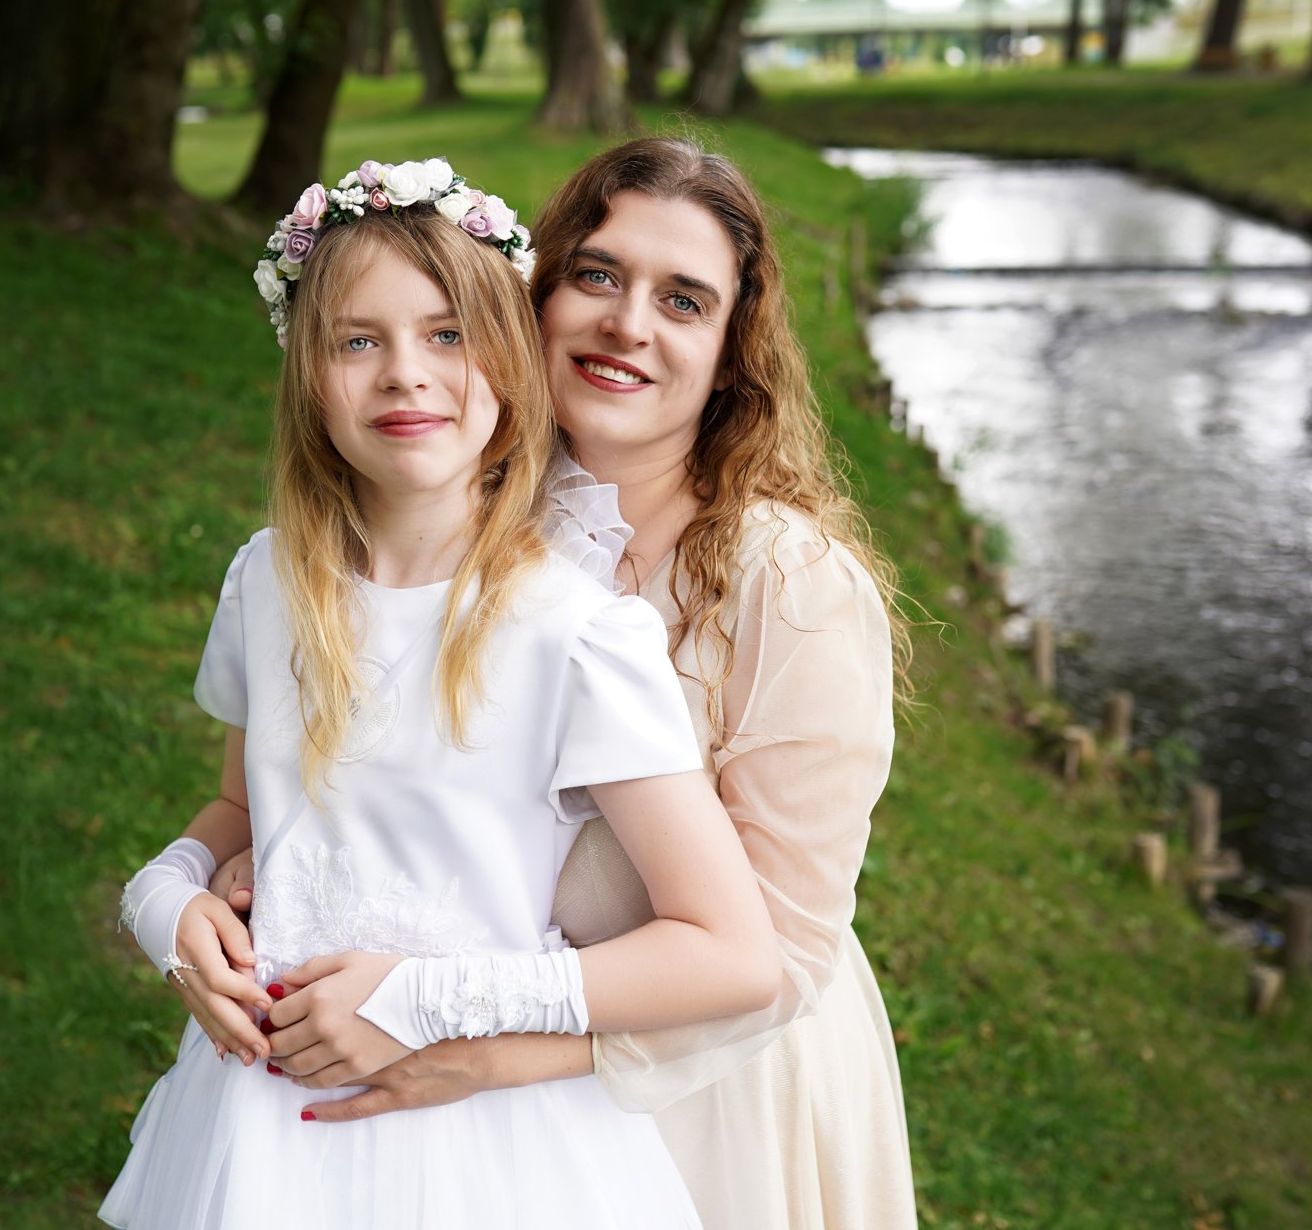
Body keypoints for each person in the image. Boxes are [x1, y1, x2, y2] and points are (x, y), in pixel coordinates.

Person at [101, 159, 780, 1230]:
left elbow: (730, 951)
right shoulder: (267, 583)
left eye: (447, 334)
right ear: (307, 374)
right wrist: (165, 898)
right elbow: (241, 812)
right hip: (258, 1117)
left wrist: (422, 997)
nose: (404, 375)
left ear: (508, 361)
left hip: (478, 1140)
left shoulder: (577, 633)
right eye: (356, 342)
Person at [261, 139, 917, 1230]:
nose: (628, 325)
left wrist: (488, 1055)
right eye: (599, 276)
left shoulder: (790, 584)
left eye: (683, 301)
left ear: (729, 354)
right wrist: (218, 882)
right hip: (455, 1097)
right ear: (536, 298)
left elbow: (786, 951)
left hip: (705, 1091)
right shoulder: (456, 516)